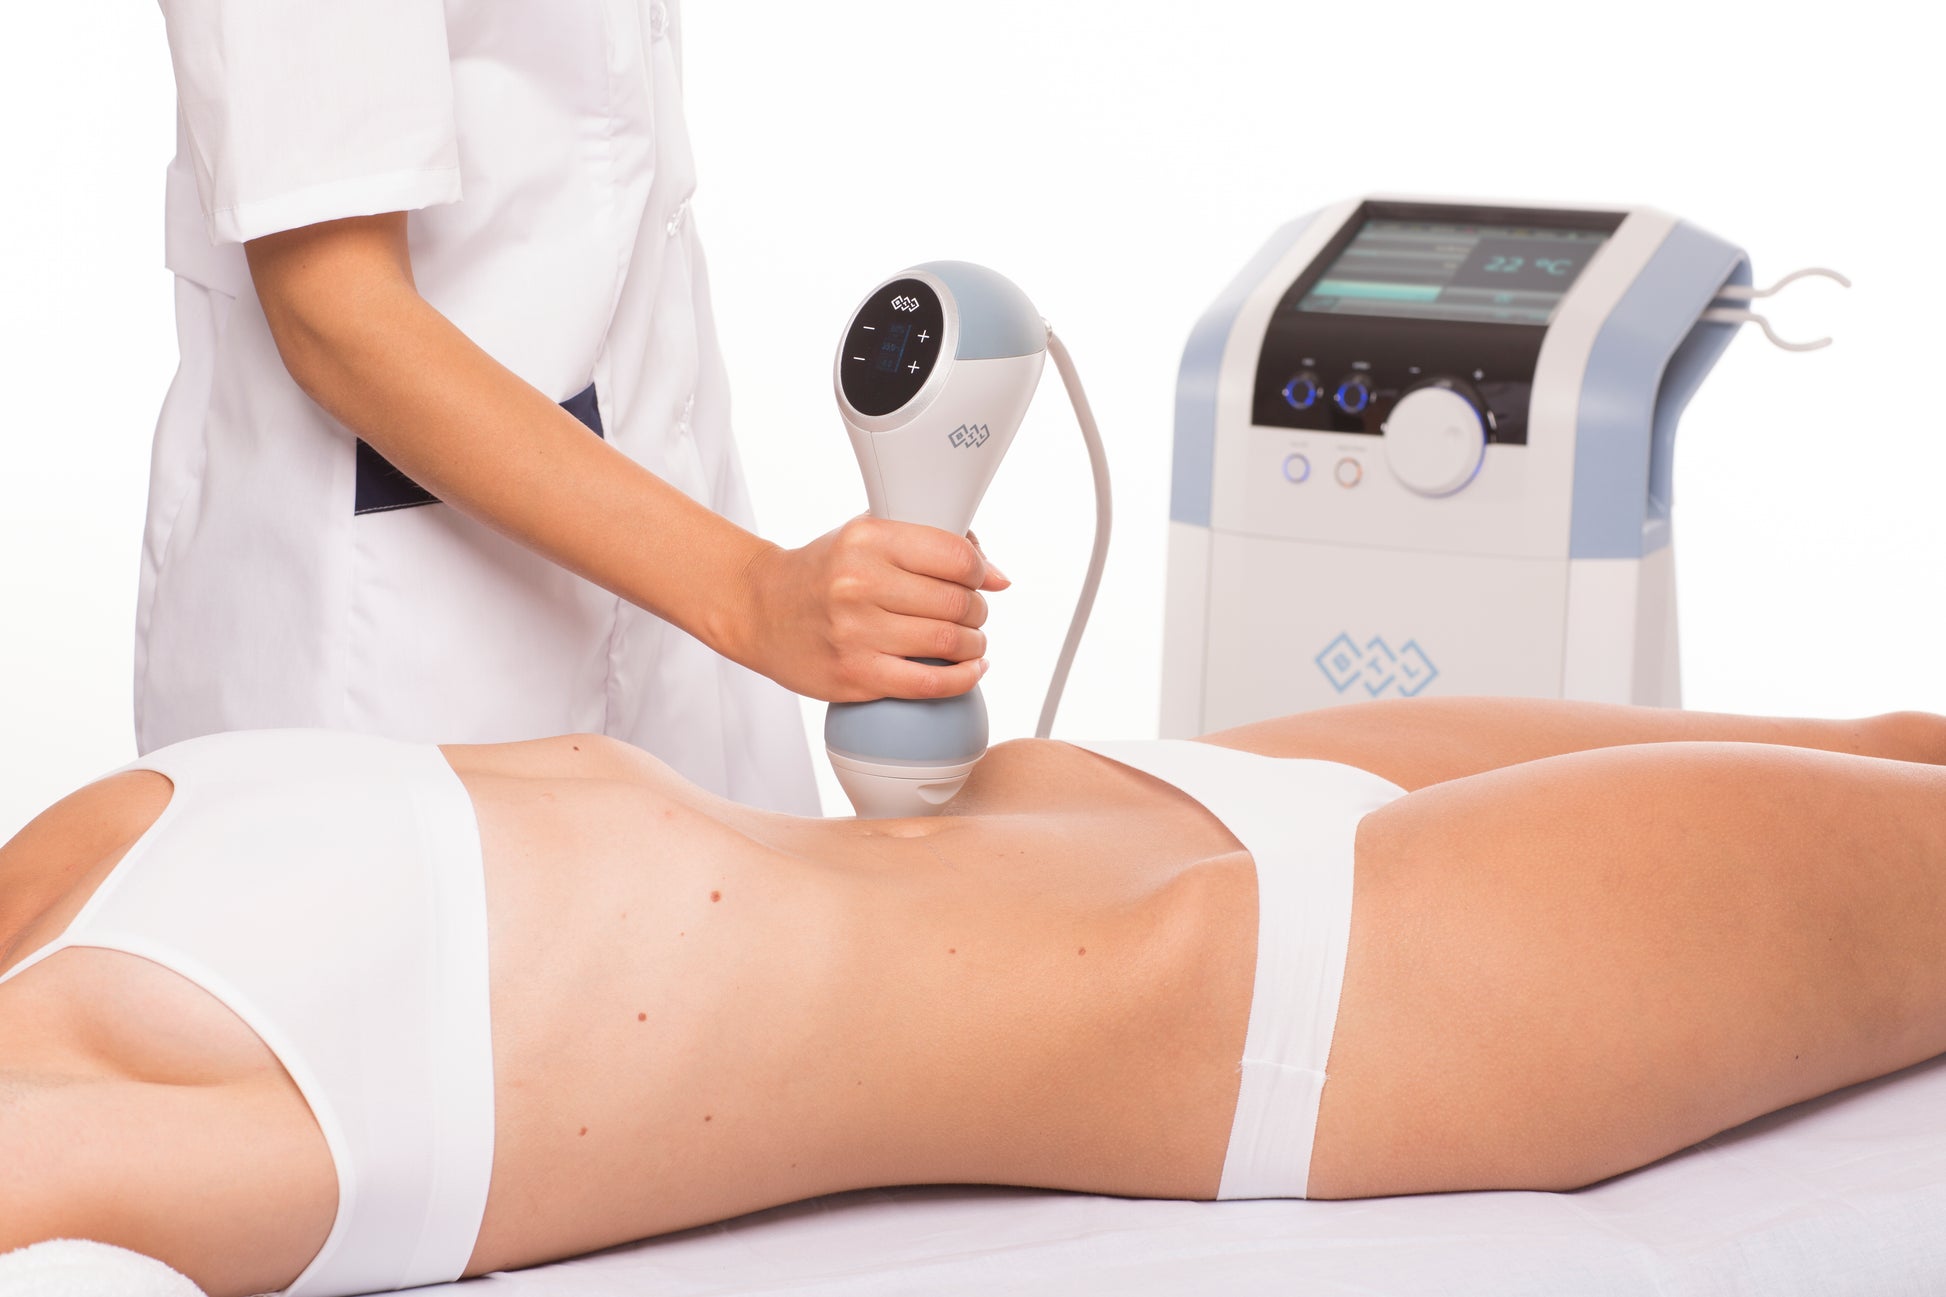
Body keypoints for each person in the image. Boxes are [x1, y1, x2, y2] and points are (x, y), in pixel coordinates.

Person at [4, 696, 1945, 1297]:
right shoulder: (100, 1142)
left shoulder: (63, 874)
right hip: (1323, 987)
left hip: (1108, 793)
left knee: (1894, 735)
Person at [139, 0, 1003, 813]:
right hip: (395, 655)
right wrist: (753, 592)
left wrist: (754, 591)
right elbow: (334, 308)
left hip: (668, 593)